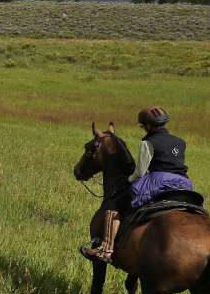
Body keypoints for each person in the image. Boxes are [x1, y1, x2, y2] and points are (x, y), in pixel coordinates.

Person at [82, 106, 192, 263]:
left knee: (114, 203)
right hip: (183, 182)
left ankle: (106, 249)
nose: (143, 129)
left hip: (158, 181)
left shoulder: (148, 142)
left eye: (143, 126)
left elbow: (140, 172)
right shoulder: (180, 142)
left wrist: (128, 180)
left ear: (148, 125)